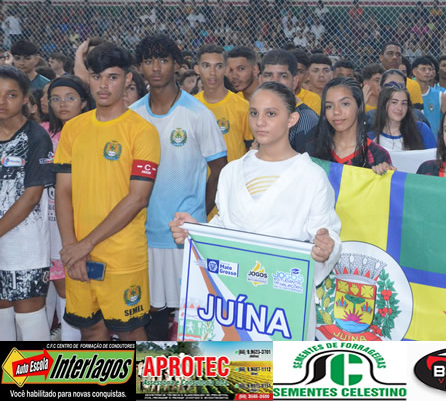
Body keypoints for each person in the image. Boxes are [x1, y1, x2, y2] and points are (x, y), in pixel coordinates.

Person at [169, 81, 340, 287]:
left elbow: (326, 232)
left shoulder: (312, 176)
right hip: (234, 290)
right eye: (254, 113)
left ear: (292, 119)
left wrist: (327, 247)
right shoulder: (232, 171)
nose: (260, 122)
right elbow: (225, 225)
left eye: (271, 114)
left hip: (285, 289)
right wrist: (195, 230)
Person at [54, 44, 160, 341]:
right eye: (97, 76)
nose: (103, 85)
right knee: (91, 330)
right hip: (78, 252)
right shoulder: (73, 129)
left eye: (112, 77)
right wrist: (71, 248)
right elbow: (63, 191)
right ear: (88, 78)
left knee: (131, 331)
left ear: (128, 79)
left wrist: (84, 245)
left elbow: (138, 198)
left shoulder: (143, 132)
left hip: (122, 255)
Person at [130, 35, 227, 341]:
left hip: (182, 235)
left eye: (163, 60)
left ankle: (190, 371)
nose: (156, 68)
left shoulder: (198, 114)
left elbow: (219, 169)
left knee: (190, 315)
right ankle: (153, 370)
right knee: (153, 315)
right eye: (149, 61)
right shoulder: (133, 115)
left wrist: (198, 212)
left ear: (176, 64)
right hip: (143, 233)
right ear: (140, 67)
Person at [0, 66, 55, 341]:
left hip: (25, 246)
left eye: (11, 95)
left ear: (24, 99)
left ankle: (37, 371)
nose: (2, 101)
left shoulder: (36, 137)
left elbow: (32, 195)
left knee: (29, 319)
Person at [45, 75, 91, 341]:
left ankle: (74, 344)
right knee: (56, 287)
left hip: (84, 221)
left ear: (84, 102)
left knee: (77, 288)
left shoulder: (93, 133)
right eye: (56, 99)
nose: (62, 104)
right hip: (49, 223)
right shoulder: (43, 133)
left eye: (70, 98)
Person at [307, 77, 392, 173]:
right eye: (329, 106)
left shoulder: (378, 156)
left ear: (360, 106)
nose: (336, 112)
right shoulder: (312, 151)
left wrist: (386, 174)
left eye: (345, 104)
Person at [193, 45, 253, 164]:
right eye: (206, 66)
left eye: (218, 66)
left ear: (226, 70)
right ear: (197, 69)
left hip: (234, 174)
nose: (212, 72)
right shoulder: (191, 106)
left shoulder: (243, 106)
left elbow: (251, 148)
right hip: (200, 175)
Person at [260, 49, 319, 154]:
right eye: (268, 75)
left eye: (283, 76)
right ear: (260, 80)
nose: (275, 82)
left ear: (295, 82)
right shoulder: (258, 112)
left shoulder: (307, 121)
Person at [369, 84, 436, 152]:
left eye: (404, 103)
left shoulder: (421, 130)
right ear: (383, 105)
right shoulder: (371, 137)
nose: (400, 108)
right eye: (394, 102)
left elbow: (433, 156)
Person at [378, 43, 423, 108]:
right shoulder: (373, 82)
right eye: (390, 53)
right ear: (381, 58)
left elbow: (416, 112)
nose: (394, 57)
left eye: (398, 55)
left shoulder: (412, 85)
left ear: (401, 59)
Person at [411, 56, 446, 132]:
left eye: (430, 69)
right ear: (414, 72)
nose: (427, 72)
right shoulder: (407, 94)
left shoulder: (440, 95)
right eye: (423, 69)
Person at [290, 48, 322, 116]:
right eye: (291, 70)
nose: (294, 75)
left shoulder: (313, 99)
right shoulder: (275, 95)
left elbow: (310, 121)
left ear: (306, 75)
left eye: (300, 72)